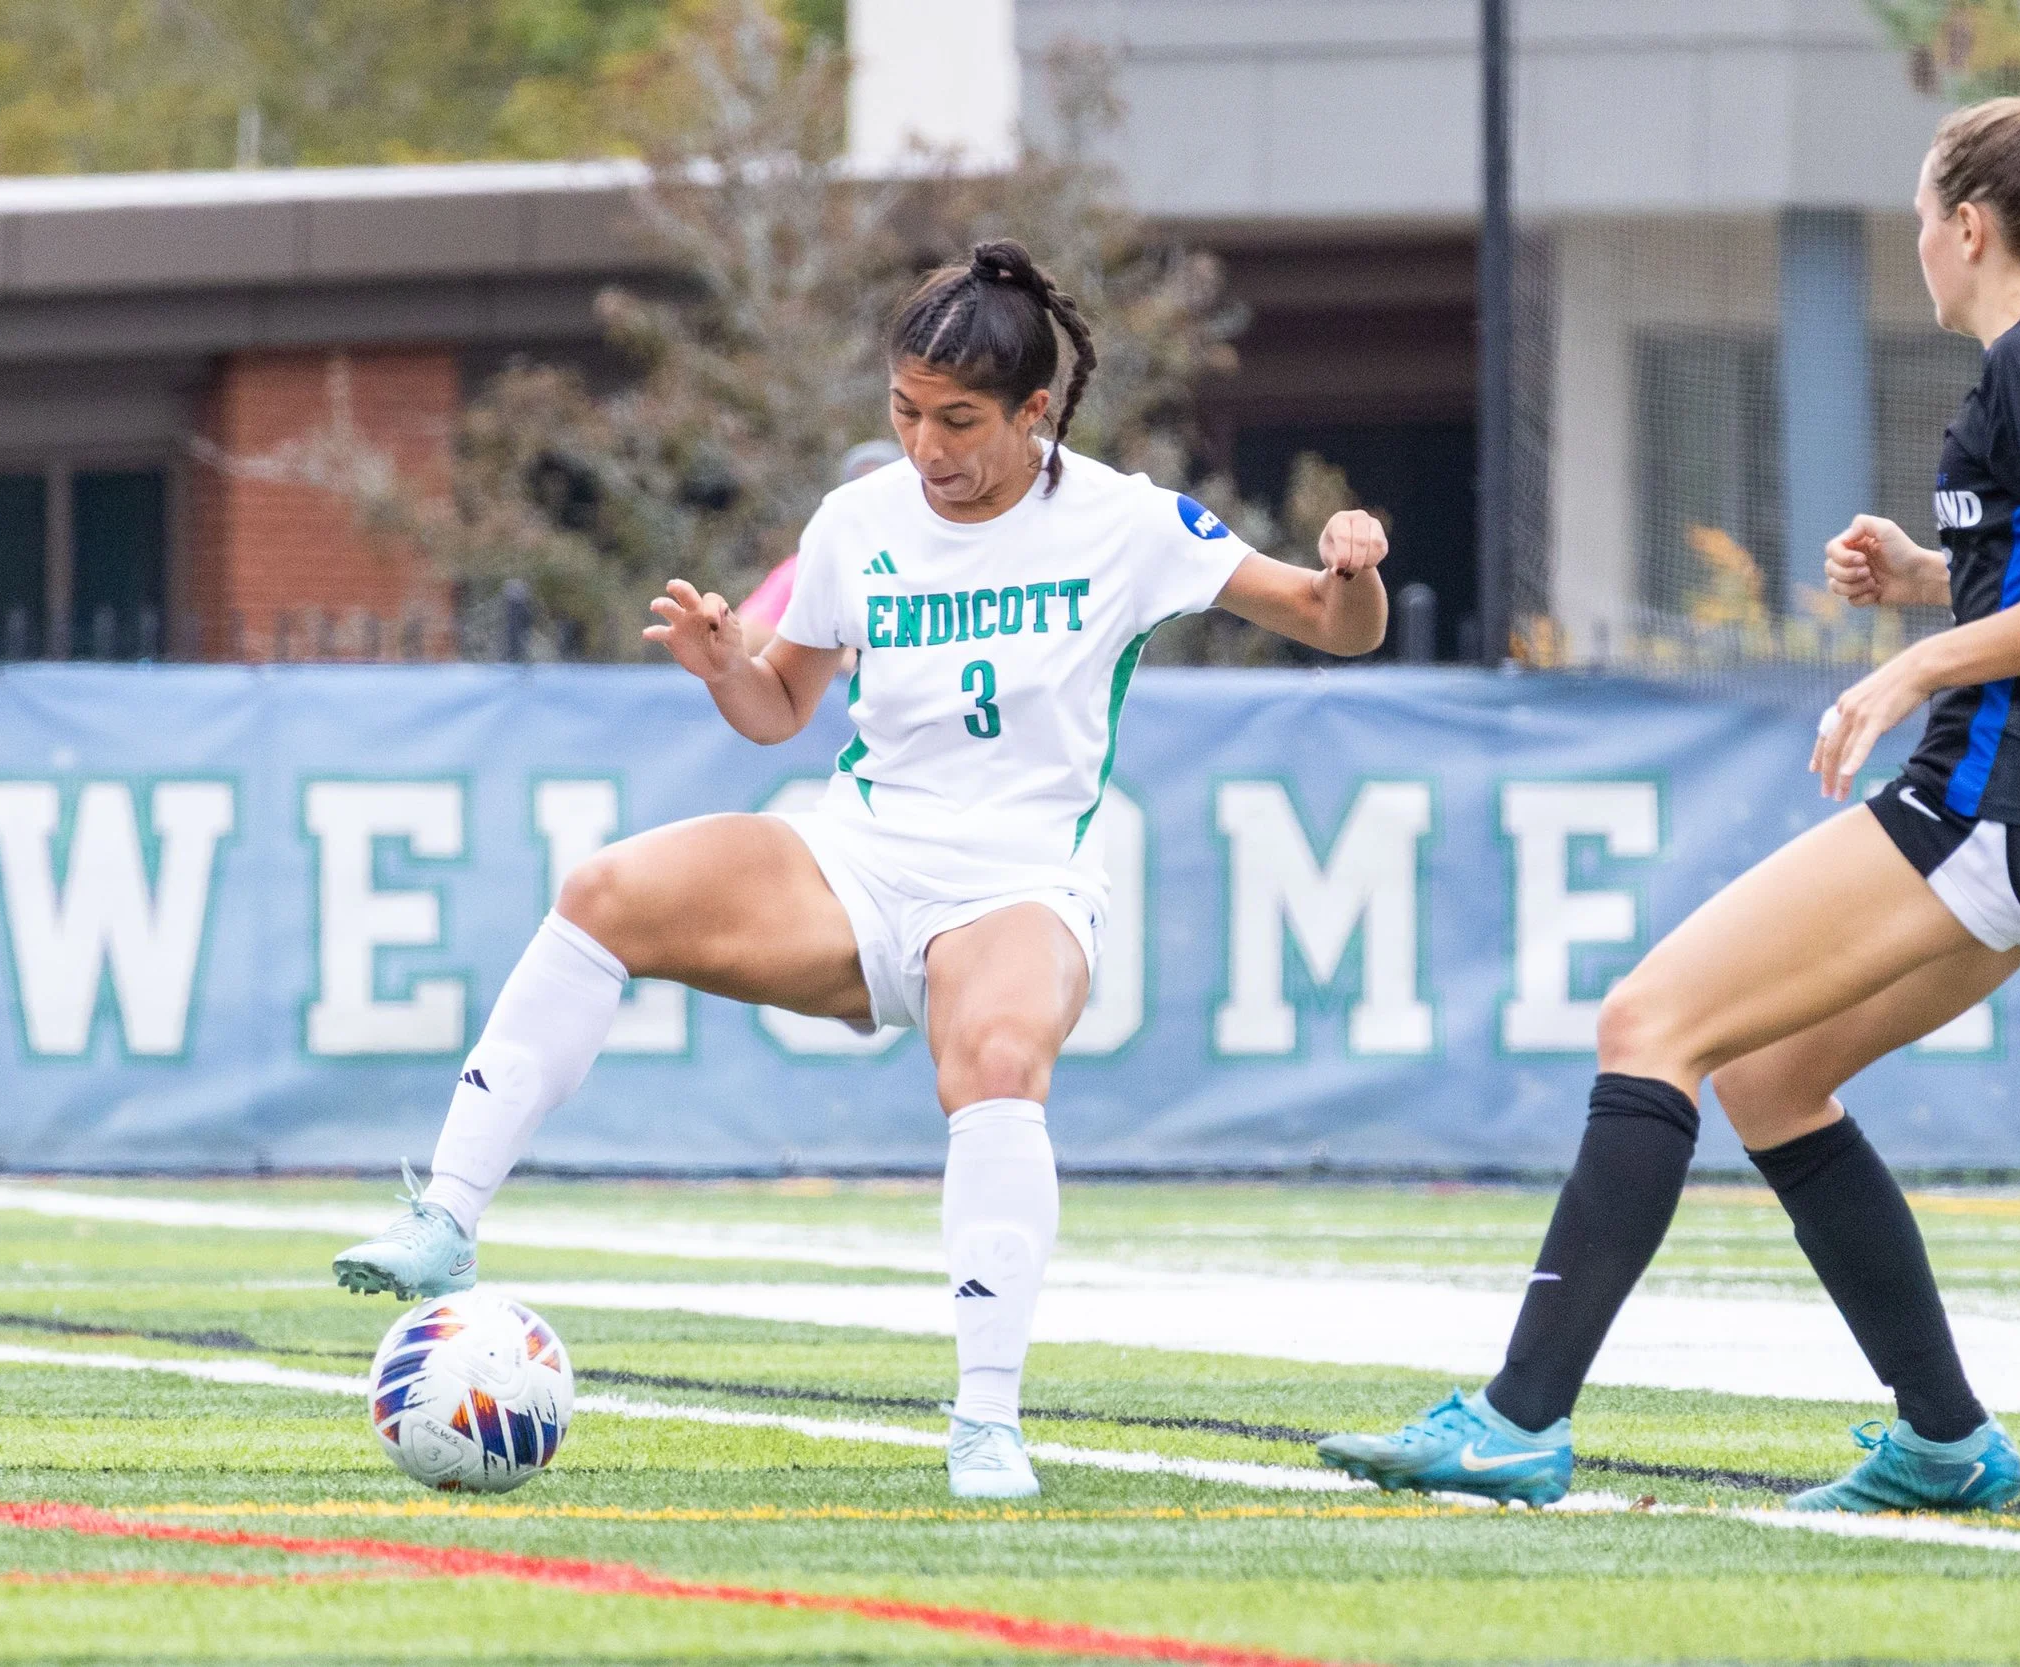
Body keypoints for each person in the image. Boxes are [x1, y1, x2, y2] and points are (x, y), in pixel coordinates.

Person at [333, 239, 1391, 1500]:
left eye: (958, 421)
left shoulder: (1126, 520)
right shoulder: (859, 518)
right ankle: (445, 1216)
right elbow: (783, 705)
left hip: (1017, 882)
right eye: (904, 412)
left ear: (1036, 412)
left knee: (995, 1061)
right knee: (604, 893)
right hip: (859, 853)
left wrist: (1354, 568)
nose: (927, 447)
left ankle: (986, 1420)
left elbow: (1336, 628)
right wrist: (730, 662)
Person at [1317, 53, 2020, 1513]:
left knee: (1650, 1017)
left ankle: (1520, 1416)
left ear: (1969, 223)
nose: (1913, 241)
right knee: (1775, 1078)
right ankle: (1947, 1437)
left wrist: (1912, 668)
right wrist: (1932, 579)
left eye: (1918, 213)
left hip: (2008, 787)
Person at [740, 440, 904, 656]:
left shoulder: (934, 560)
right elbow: (745, 634)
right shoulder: (815, 562)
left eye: (882, 481)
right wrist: (835, 651)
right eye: (858, 483)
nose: (871, 495)